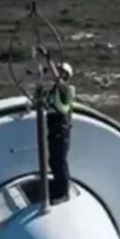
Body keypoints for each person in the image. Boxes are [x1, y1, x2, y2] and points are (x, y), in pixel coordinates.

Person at [45, 61, 76, 203]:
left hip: (61, 130)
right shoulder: (54, 91)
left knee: (60, 161)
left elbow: (56, 79)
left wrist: (48, 60)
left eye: (61, 71)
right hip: (53, 129)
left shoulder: (67, 89)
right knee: (53, 161)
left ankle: (63, 193)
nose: (57, 74)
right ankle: (57, 188)